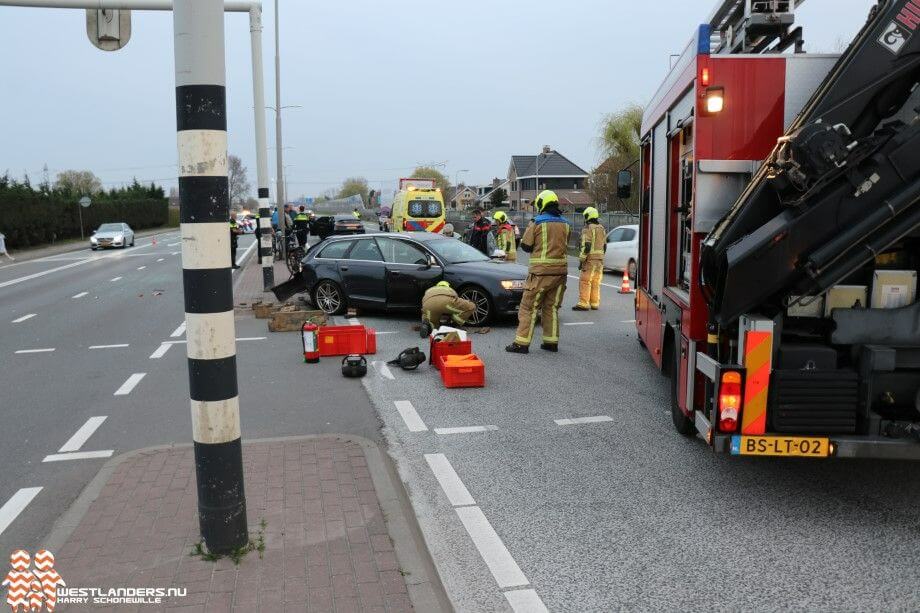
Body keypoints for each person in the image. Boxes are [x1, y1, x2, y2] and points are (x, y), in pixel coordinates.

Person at [506, 190, 571, 354]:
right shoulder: (566, 224)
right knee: (551, 307)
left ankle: (521, 343)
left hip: (540, 274)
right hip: (560, 274)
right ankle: (551, 342)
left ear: (542, 204)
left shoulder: (536, 222)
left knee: (528, 308)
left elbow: (526, 246)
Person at [573, 207, 607, 311]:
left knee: (585, 281)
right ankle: (594, 303)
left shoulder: (587, 229)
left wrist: (581, 260)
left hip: (590, 260)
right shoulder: (602, 228)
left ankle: (583, 303)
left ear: (587, 216)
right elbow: (605, 246)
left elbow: (586, 246)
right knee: (596, 282)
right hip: (600, 261)